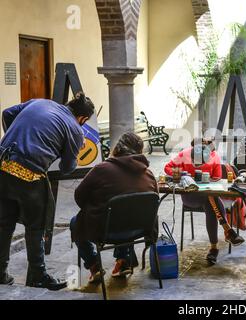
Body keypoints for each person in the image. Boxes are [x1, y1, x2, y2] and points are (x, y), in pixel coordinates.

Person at [0, 93, 95, 289]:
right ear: (83, 119)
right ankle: (38, 275)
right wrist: (75, 148)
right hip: (29, 172)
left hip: (3, 162)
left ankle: (1, 272)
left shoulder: (40, 102)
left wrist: (16, 138)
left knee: (4, 222)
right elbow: (67, 168)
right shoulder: (75, 129)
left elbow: (7, 113)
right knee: (37, 224)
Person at [70, 132, 158, 283]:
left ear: (117, 148)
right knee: (128, 213)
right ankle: (123, 261)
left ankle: (94, 265)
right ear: (140, 151)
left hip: (105, 231)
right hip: (139, 229)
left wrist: (93, 207)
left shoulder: (101, 169)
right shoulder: (148, 173)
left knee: (75, 222)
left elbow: (79, 196)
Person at [164, 138, 245, 264]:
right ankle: (226, 232)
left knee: (210, 201)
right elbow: (167, 168)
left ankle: (215, 247)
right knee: (211, 199)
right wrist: (182, 175)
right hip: (190, 197)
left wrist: (206, 179)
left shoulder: (214, 156)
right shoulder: (184, 154)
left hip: (207, 197)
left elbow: (217, 177)